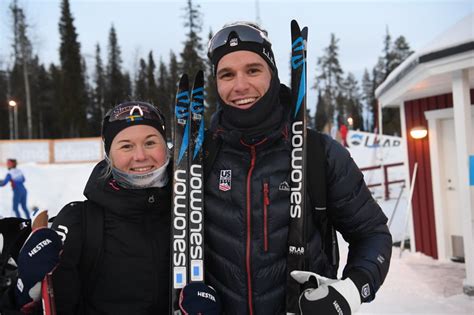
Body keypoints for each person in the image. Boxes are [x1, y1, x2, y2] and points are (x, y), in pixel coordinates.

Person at [204, 22, 392, 314]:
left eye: (253, 70)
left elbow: (372, 234)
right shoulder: (201, 157)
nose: (240, 86)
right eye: (227, 74)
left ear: (273, 74)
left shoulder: (319, 153)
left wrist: (353, 290)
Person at [0, 101, 220, 315]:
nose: (140, 156)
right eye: (126, 146)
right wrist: (24, 293)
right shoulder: (79, 223)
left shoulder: (196, 216)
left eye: (151, 142)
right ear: (109, 155)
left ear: (168, 147)